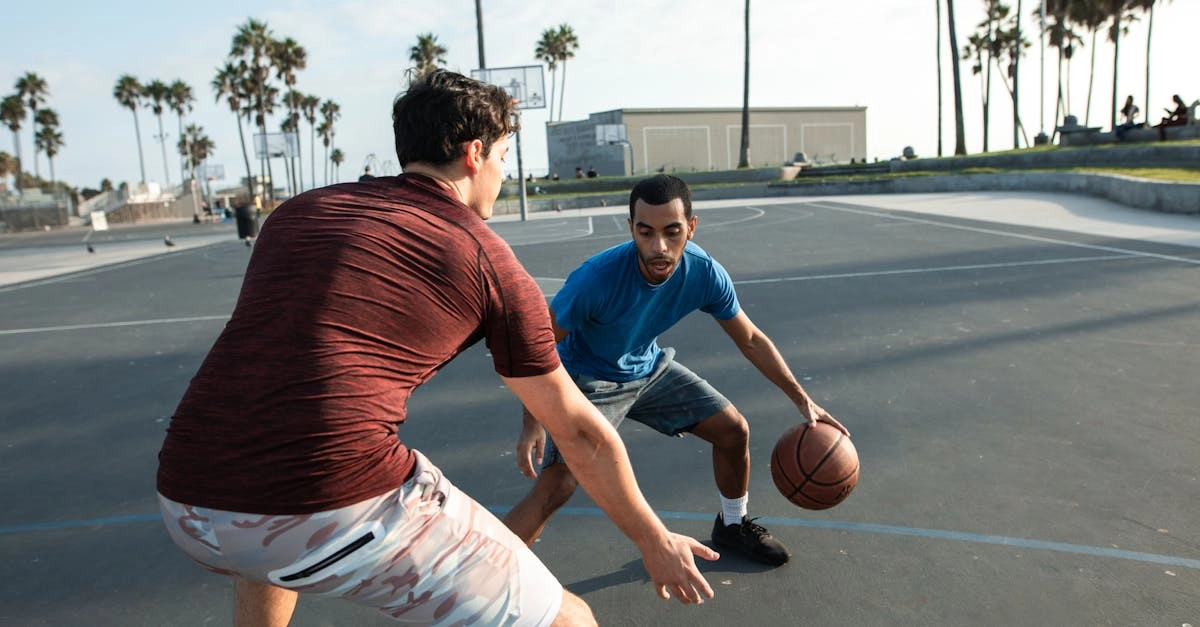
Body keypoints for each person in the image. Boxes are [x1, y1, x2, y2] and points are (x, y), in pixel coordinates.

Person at [156, 70, 716, 627]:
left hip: (187, 499)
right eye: (501, 155)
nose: (502, 172)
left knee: (271, 532)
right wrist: (654, 538)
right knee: (570, 620)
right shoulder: (484, 257)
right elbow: (581, 432)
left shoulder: (298, 214)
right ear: (475, 155)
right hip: (324, 506)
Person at [503, 174, 848, 567]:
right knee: (557, 486)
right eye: (646, 232)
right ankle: (485, 576)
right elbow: (536, 345)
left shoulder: (703, 272)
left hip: (647, 368)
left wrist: (803, 400)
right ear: (630, 227)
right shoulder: (595, 280)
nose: (658, 247)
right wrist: (533, 420)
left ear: (692, 227)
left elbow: (750, 339)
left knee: (733, 430)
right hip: (588, 381)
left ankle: (732, 525)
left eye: (672, 232)